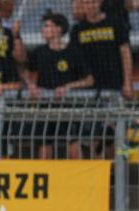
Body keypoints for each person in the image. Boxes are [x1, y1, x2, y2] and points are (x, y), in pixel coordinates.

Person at [26, 12, 93, 159]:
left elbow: (89, 80)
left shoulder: (73, 52)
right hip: (45, 107)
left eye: (47, 26)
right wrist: (32, 87)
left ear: (58, 29)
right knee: (44, 142)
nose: (43, 29)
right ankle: (45, 176)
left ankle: (77, 177)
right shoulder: (39, 52)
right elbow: (31, 78)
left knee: (72, 140)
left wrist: (68, 87)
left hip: (68, 106)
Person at [70, 0, 133, 100]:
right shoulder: (77, 30)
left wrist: (127, 83)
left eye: (93, 2)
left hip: (114, 84)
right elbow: (74, 59)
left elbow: (125, 54)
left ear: (99, 2)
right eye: (87, 3)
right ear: (83, 5)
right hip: (88, 89)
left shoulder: (115, 23)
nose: (91, 6)